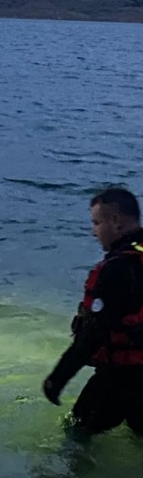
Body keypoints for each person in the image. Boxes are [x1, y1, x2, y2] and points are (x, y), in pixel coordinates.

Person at [43, 186, 143, 435]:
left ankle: (65, 476)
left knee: (76, 432)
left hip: (123, 376)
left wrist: (57, 379)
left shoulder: (117, 269)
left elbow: (92, 334)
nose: (93, 232)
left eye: (96, 222)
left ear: (116, 222)